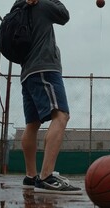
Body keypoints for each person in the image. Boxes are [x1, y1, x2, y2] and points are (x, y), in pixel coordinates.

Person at [18, 0, 81, 193]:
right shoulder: (42, 5)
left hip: (27, 72)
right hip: (44, 67)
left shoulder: (19, 6)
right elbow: (64, 15)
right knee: (61, 116)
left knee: (32, 124)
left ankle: (31, 176)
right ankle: (46, 176)